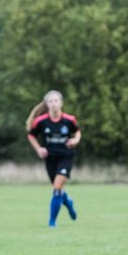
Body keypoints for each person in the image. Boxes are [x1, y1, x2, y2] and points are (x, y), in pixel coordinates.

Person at [26, 90, 81, 227]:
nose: (54, 104)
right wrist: (39, 148)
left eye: (56, 101)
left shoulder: (69, 120)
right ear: (47, 104)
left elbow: (78, 131)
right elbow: (31, 135)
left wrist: (75, 140)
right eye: (51, 101)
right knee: (58, 190)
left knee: (56, 188)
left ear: (61, 103)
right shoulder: (41, 121)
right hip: (50, 159)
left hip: (66, 157)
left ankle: (52, 222)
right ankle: (68, 202)